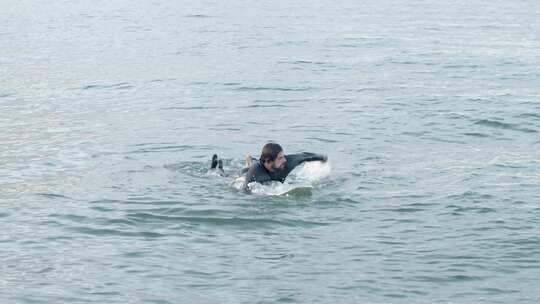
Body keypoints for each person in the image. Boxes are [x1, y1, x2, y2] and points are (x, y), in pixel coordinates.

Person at [242, 143, 327, 191]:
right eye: (280, 158)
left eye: (283, 156)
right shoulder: (255, 172)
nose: (284, 160)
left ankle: (251, 160)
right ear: (268, 161)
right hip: (245, 173)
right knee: (242, 174)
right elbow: (245, 192)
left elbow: (303, 156)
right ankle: (249, 161)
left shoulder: (286, 163)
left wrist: (322, 158)